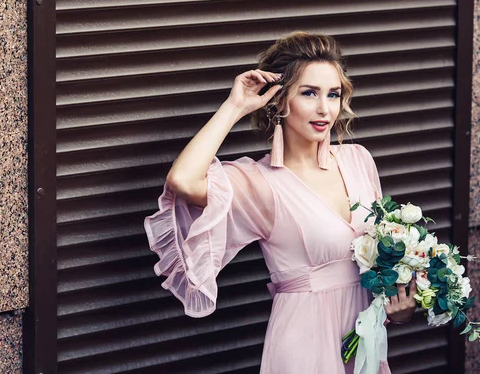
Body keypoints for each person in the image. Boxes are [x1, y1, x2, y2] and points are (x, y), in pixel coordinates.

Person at [144, 32, 416, 374]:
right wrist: (235, 107)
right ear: (279, 101)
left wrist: (400, 311)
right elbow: (182, 181)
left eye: (333, 94)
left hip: (362, 340)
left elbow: (378, 264)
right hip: (303, 341)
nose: (324, 108)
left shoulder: (358, 160)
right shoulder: (257, 182)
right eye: (309, 93)